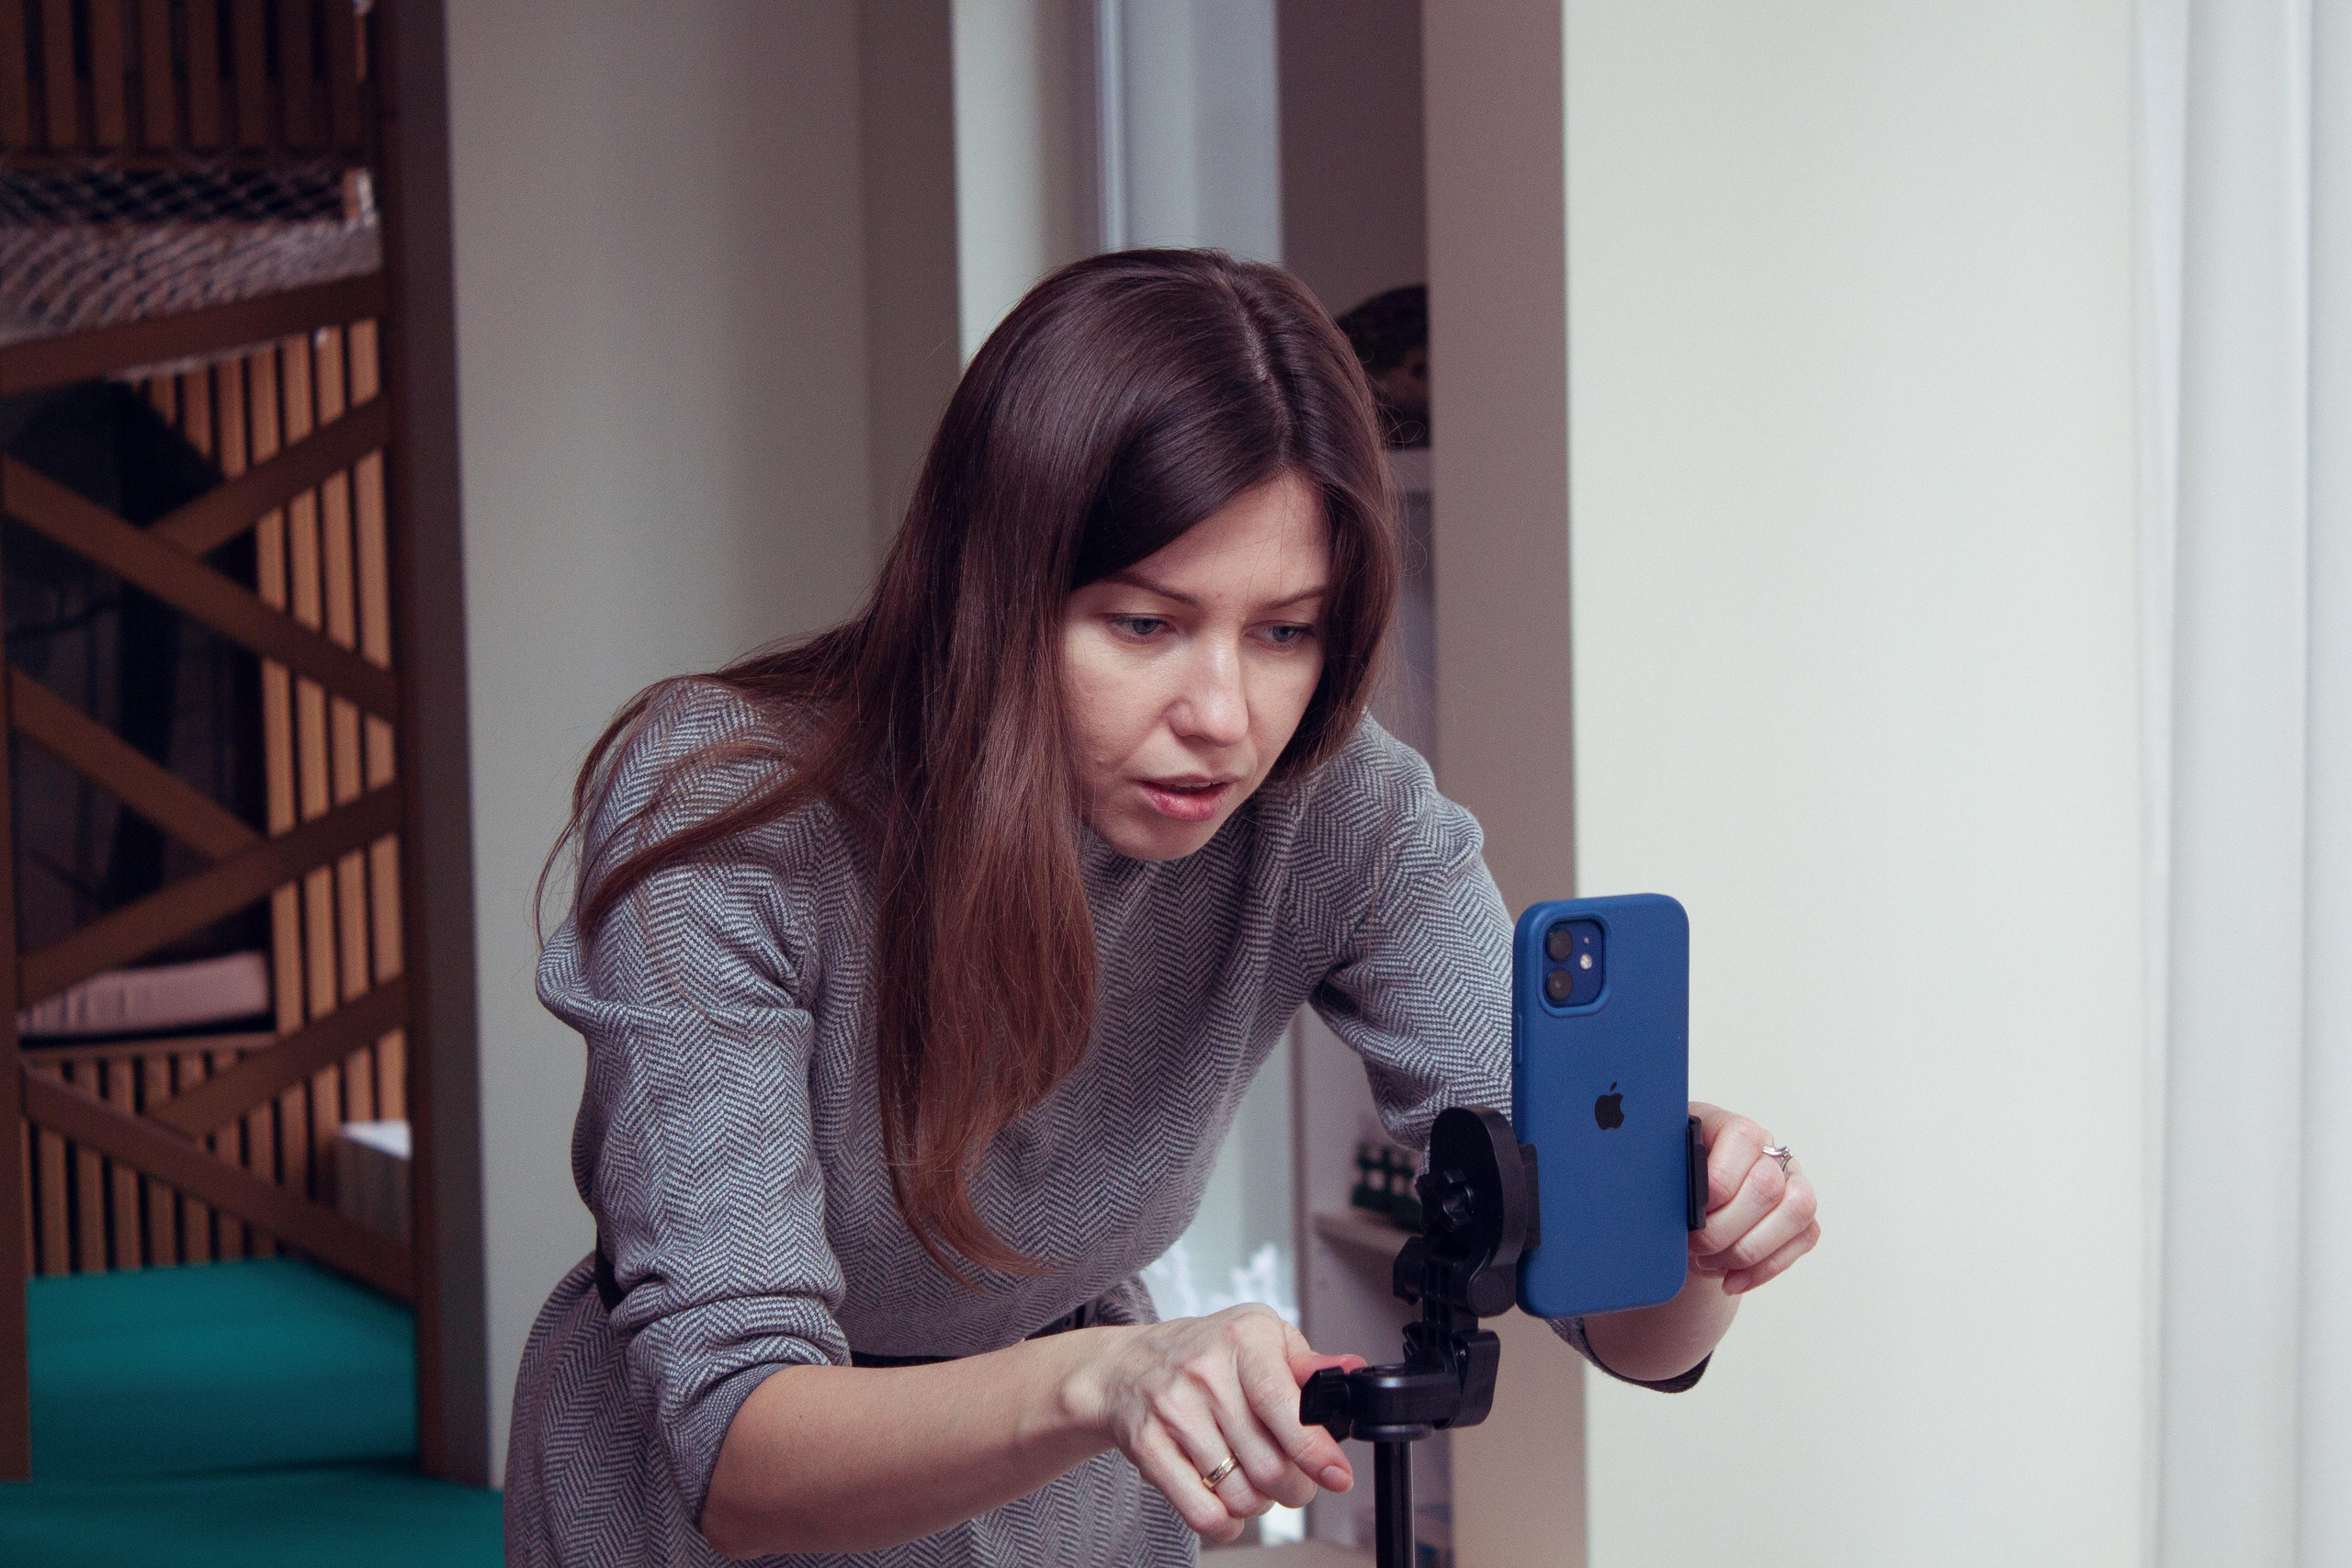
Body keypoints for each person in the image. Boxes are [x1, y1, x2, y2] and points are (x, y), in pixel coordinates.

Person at [503, 249, 1820, 1566]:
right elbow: (739, 1454)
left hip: (1072, 1496)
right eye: (1143, 625)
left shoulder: (1340, 812)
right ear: (994, 589)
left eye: (1286, 631)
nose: (1223, 718)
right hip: (739, 1505)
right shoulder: (728, 813)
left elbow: (1627, 1330)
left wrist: (1693, 1236)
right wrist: (1109, 1382)